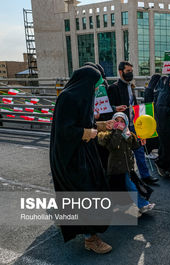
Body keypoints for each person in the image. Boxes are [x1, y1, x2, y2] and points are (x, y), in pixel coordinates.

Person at [49, 65, 112, 254]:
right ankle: (90, 239)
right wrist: (89, 132)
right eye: (94, 85)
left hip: (82, 153)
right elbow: (64, 131)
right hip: (70, 156)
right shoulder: (67, 98)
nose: (95, 90)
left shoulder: (81, 97)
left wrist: (101, 125)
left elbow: (85, 123)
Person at [107, 61, 159, 185]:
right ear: (120, 72)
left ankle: (145, 176)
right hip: (120, 126)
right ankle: (125, 179)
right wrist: (116, 108)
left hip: (134, 124)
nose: (130, 73)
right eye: (128, 71)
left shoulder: (131, 86)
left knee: (139, 149)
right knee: (123, 154)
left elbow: (134, 105)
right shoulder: (113, 88)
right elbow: (108, 108)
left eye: (131, 71)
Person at [98, 112, 155, 215]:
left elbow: (134, 146)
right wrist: (118, 132)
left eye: (122, 121)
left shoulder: (128, 133)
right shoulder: (110, 134)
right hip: (117, 167)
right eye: (117, 121)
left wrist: (141, 142)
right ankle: (143, 204)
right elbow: (113, 146)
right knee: (131, 187)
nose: (119, 123)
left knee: (116, 189)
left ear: (126, 122)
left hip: (127, 166)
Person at [143, 74, 162, 160]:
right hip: (154, 114)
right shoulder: (154, 90)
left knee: (150, 134)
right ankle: (148, 152)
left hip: (148, 114)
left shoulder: (148, 89)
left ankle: (148, 151)